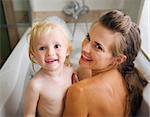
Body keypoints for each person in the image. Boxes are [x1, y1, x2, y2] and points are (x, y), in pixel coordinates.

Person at [63, 10, 148, 117]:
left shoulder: (80, 92)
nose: (85, 48)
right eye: (88, 37)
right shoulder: (126, 79)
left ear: (118, 59)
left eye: (98, 47)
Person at [24, 16, 74, 117]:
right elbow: (29, 114)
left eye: (56, 46)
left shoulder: (71, 72)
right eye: (42, 48)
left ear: (67, 50)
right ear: (34, 55)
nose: (50, 53)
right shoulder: (36, 85)